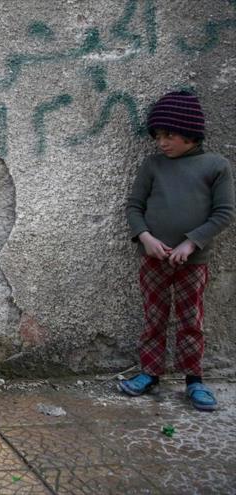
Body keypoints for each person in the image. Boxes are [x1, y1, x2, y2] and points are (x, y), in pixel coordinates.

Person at [121, 91, 235, 411]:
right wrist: (146, 238)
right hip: (154, 259)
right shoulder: (153, 166)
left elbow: (224, 213)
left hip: (192, 261)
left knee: (190, 320)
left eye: (169, 135)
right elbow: (134, 207)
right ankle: (150, 372)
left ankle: (194, 379)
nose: (162, 142)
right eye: (157, 135)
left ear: (190, 134)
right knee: (154, 318)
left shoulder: (215, 166)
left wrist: (191, 242)